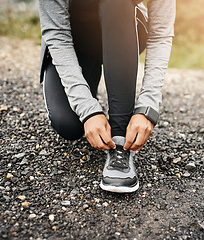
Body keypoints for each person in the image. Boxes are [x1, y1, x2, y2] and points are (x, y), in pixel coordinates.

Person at [38, 0, 175, 193]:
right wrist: (88, 111)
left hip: (125, 27)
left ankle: (120, 143)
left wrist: (147, 108)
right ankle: (88, 78)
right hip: (72, 39)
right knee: (68, 125)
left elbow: (160, 34)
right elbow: (57, 36)